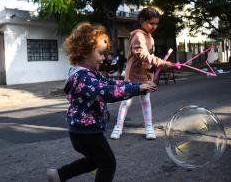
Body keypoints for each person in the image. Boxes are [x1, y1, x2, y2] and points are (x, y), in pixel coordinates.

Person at [46, 22, 157, 182]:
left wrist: (138, 85)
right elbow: (107, 92)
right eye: (100, 53)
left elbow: (112, 84)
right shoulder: (83, 77)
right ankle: (59, 175)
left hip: (82, 131)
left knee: (94, 161)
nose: (104, 58)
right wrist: (136, 90)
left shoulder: (88, 74)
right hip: (86, 132)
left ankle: (58, 175)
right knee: (108, 163)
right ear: (85, 52)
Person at [110, 7, 175, 140]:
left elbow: (149, 58)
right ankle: (118, 127)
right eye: (151, 23)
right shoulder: (138, 36)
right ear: (141, 21)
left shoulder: (150, 37)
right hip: (132, 76)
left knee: (146, 101)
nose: (154, 26)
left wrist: (155, 68)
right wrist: (161, 62)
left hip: (145, 77)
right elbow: (143, 55)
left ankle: (149, 128)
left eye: (156, 23)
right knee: (126, 102)